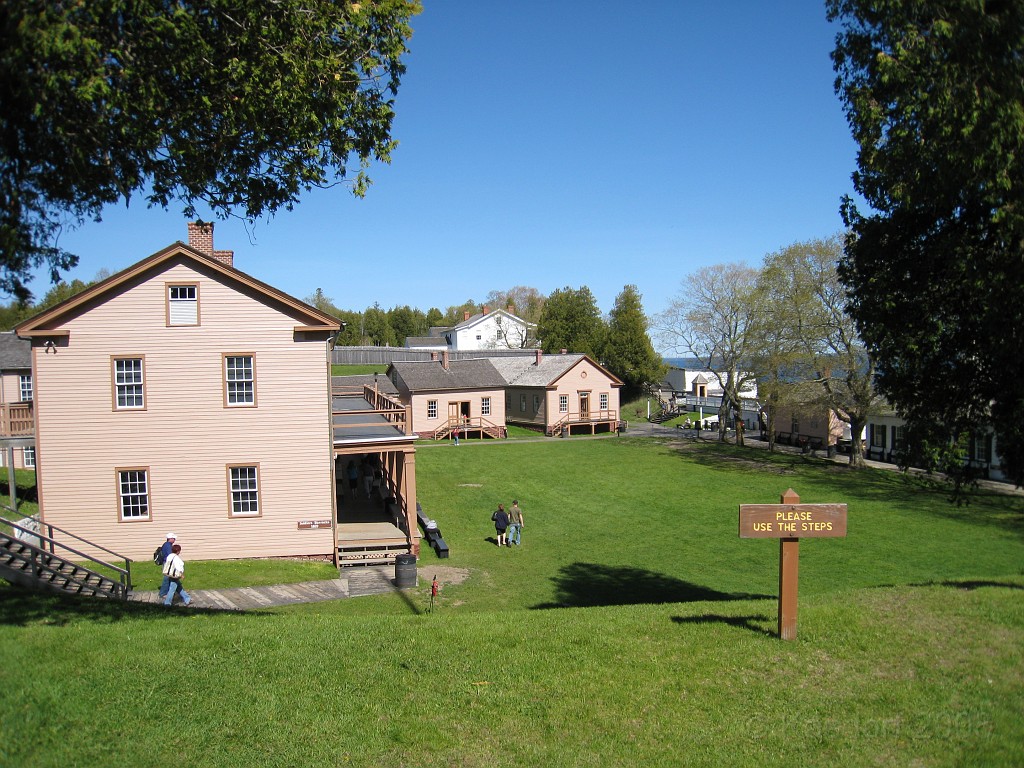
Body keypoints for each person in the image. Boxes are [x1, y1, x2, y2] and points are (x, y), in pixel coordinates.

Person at [157, 532, 176, 600]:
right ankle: (163, 593)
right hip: (167, 563)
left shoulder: (166, 544)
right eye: (173, 538)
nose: (174, 540)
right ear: (170, 538)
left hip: (166, 563)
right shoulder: (168, 545)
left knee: (170, 578)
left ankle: (171, 591)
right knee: (166, 578)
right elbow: (170, 555)